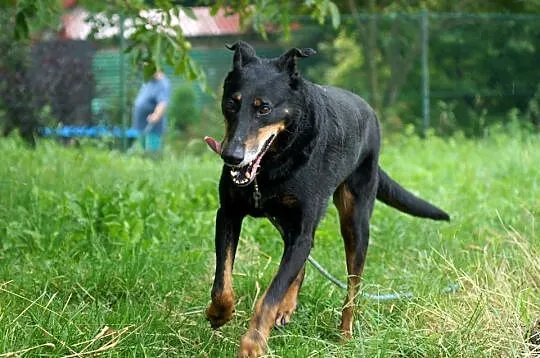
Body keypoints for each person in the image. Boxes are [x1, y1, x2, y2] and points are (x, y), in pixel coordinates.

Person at [132, 70, 171, 154]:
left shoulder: (162, 84)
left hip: (152, 126)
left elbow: (163, 103)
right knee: (142, 152)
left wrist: (156, 115)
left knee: (152, 154)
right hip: (142, 125)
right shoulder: (149, 81)